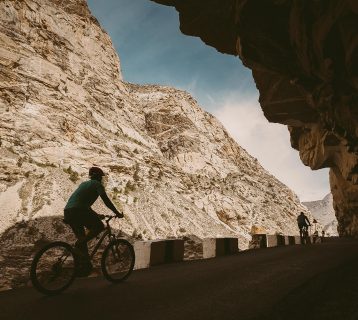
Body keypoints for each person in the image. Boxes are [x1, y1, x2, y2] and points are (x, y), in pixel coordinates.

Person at [64, 166, 123, 276]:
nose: (102, 179)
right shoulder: (97, 185)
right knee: (99, 227)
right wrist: (117, 212)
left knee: (82, 240)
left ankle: (82, 268)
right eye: (101, 177)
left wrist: (97, 215)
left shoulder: (83, 184)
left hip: (69, 211)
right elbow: (106, 200)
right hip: (78, 211)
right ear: (98, 177)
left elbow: (84, 204)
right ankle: (80, 249)